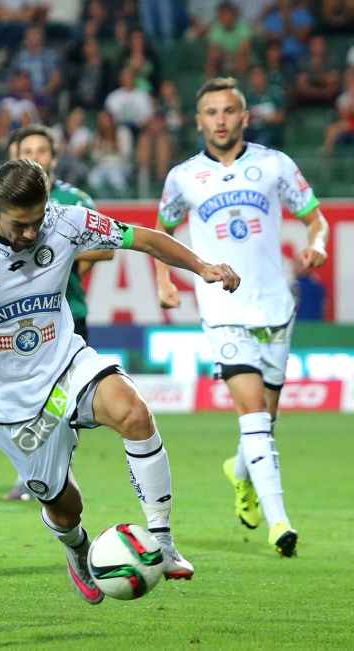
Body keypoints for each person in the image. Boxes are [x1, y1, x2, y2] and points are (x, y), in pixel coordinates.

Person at [0, 158, 241, 602]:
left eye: (37, 220)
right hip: (12, 404)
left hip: (67, 365)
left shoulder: (66, 222)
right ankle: (77, 550)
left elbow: (141, 238)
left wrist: (200, 267)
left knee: (134, 413)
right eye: (20, 224)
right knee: (65, 505)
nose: (31, 234)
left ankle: (162, 543)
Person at [155, 77, 330, 558]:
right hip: (221, 307)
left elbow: (315, 217)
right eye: (211, 112)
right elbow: (163, 231)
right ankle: (280, 524)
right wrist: (165, 281)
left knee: (265, 420)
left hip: (275, 305)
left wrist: (316, 244)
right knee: (254, 415)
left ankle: (240, 469)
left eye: (229, 111)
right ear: (199, 121)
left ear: (245, 117)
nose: (220, 120)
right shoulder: (183, 177)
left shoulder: (274, 165)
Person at [0, 125, 115, 502]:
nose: (34, 157)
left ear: (54, 157)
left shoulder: (72, 200)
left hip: (66, 316)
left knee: (59, 400)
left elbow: (105, 247)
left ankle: (50, 471)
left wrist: (60, 257)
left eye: (41, 150)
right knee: (24, 400)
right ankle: (35, 472)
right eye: (25, 150)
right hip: (15, 321)